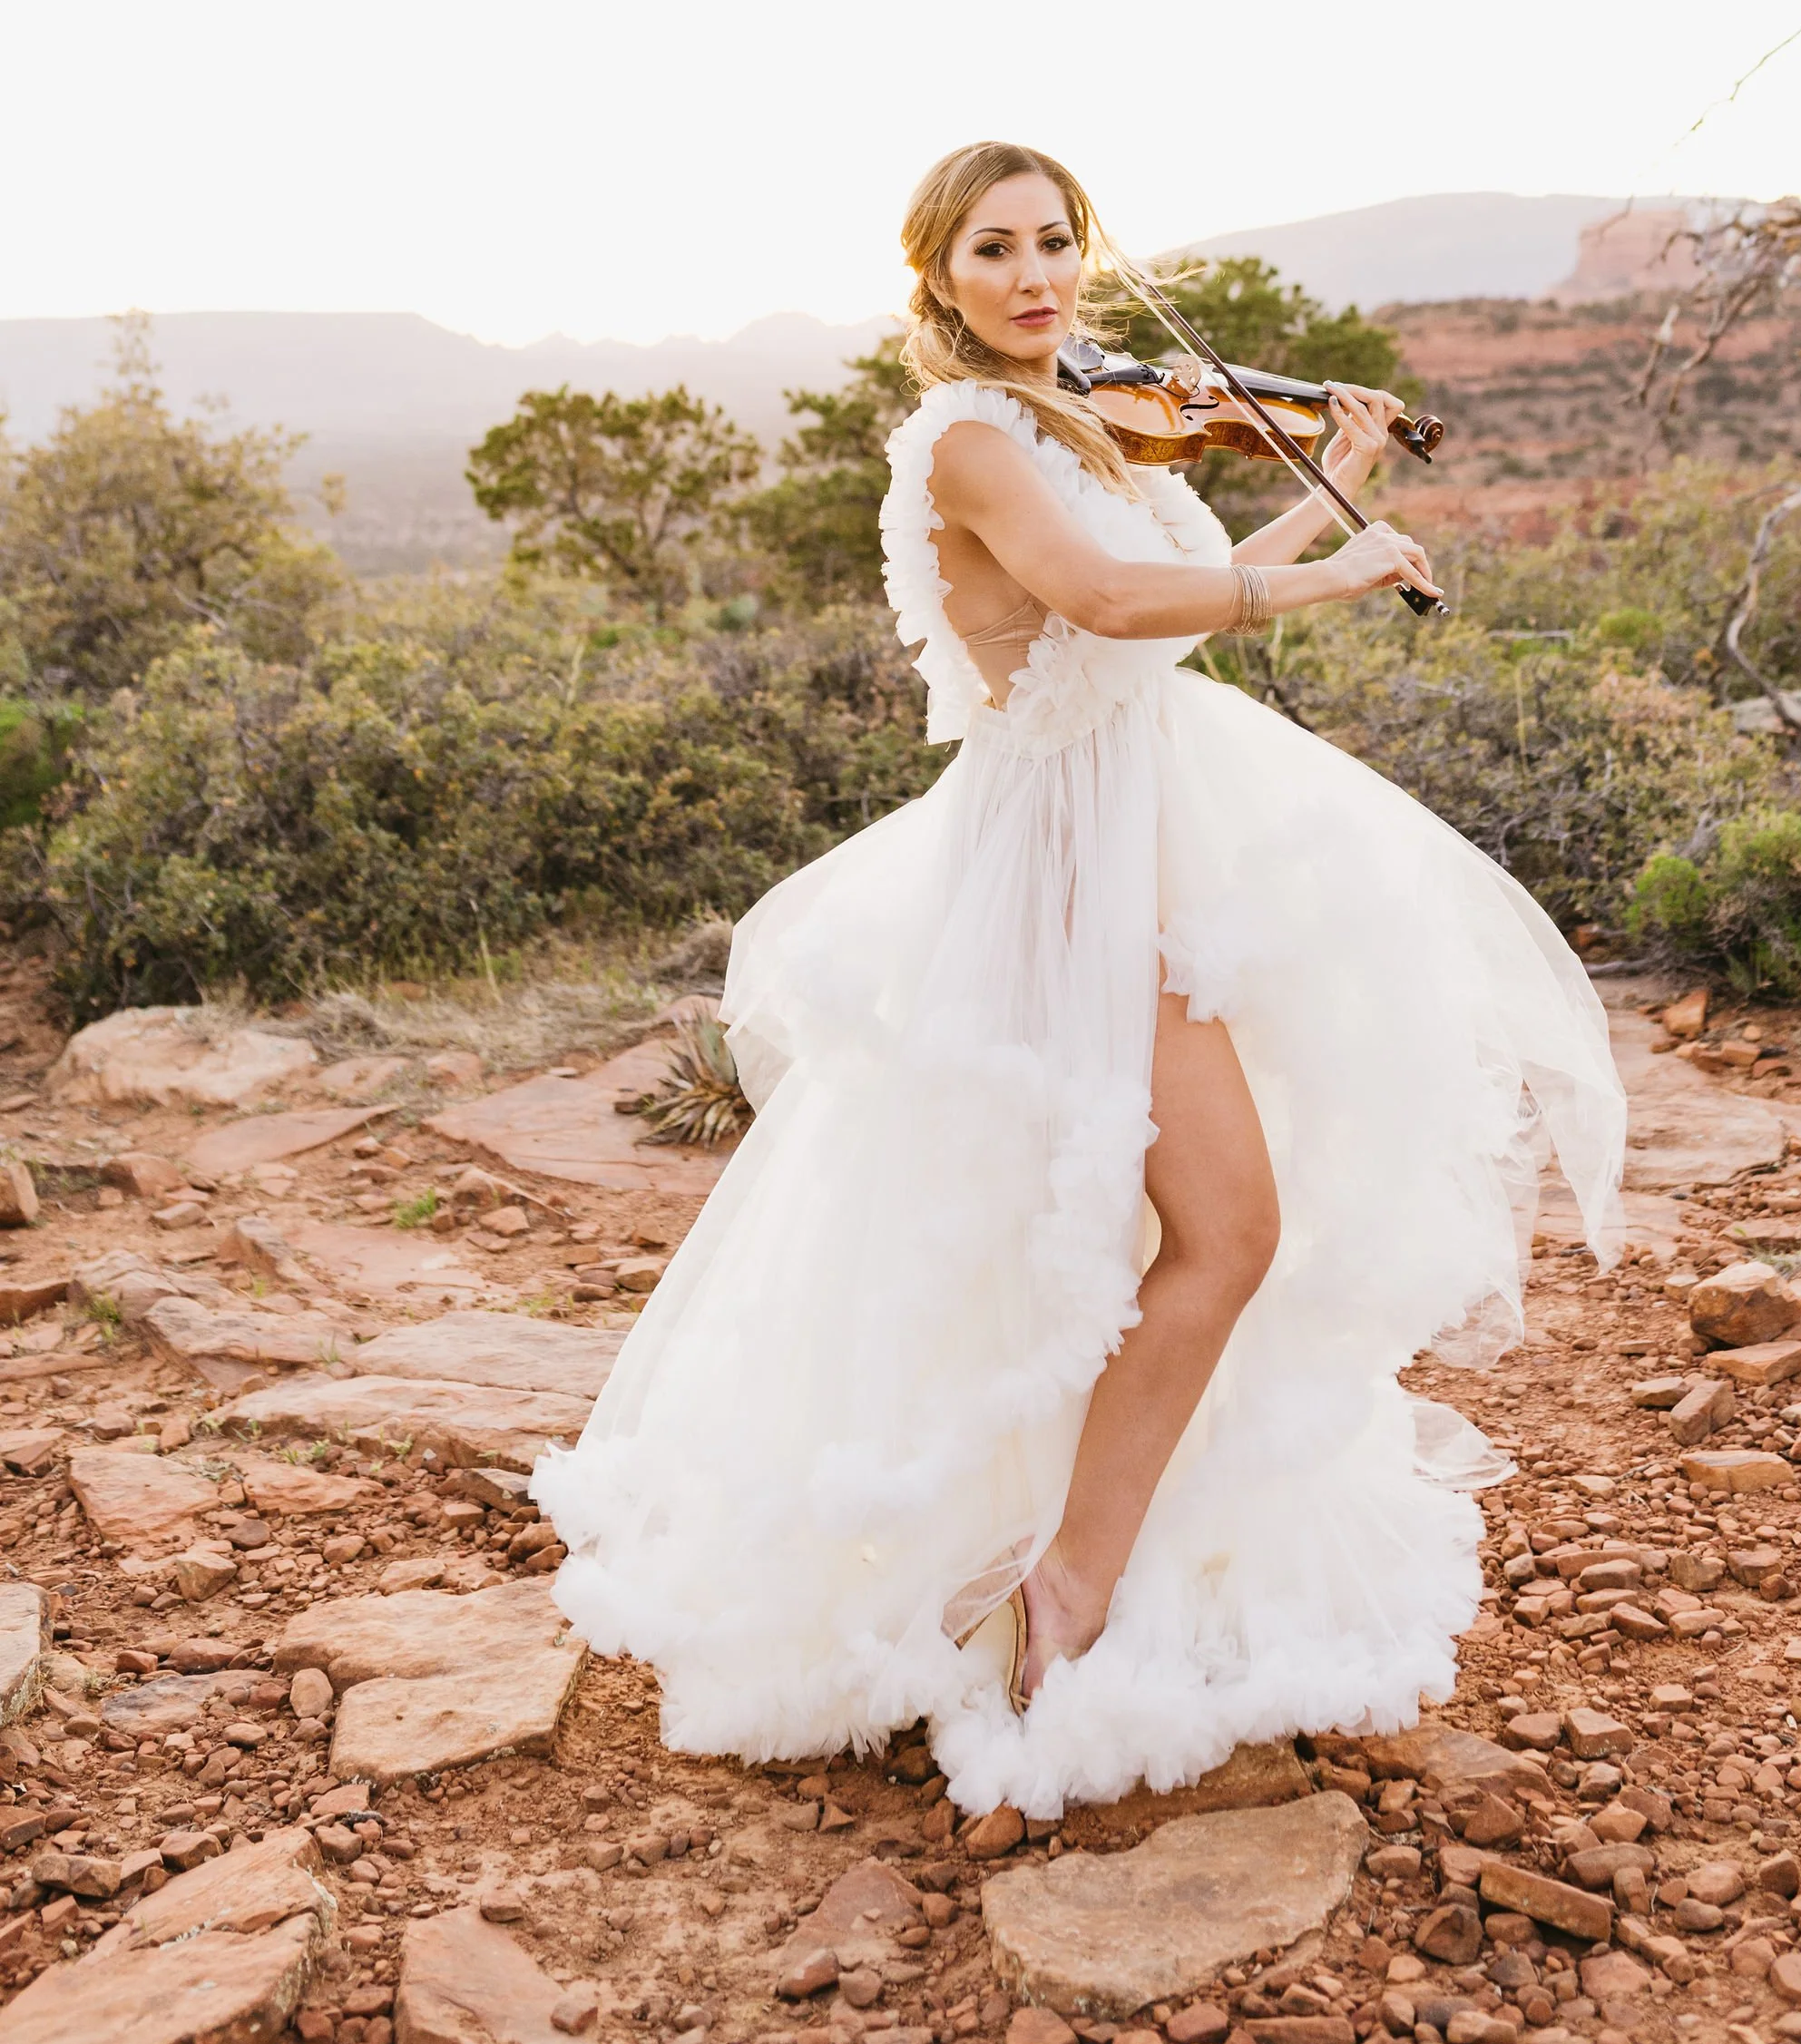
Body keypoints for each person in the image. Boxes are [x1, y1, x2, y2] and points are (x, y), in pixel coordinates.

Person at [533, 142, 1623, 1819]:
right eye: (995, 249)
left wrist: (1318, 477)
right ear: (938, 280)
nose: (1036, 273)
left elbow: (1152, 628)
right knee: (1216, 1229)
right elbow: (1101, 593)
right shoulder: (969, 438)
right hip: (1063, 866)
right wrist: (1330, 570)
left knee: (1151, 1233)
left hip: (1148, 830)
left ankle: (1063, 1563)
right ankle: (1060, 1585)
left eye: (1056, 241)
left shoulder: (1078, 419)